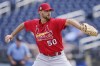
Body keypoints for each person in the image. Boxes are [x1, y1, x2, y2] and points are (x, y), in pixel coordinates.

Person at [5, 3, 98, 66]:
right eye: (46, 11)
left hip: (58, 57)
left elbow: (69, 21)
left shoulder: (55, 22)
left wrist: (80, 27)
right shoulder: (34, 24)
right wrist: (12, 35)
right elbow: (23, 25)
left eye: (50, 10)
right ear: (40, 12)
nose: (49, 12)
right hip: (43, 58)